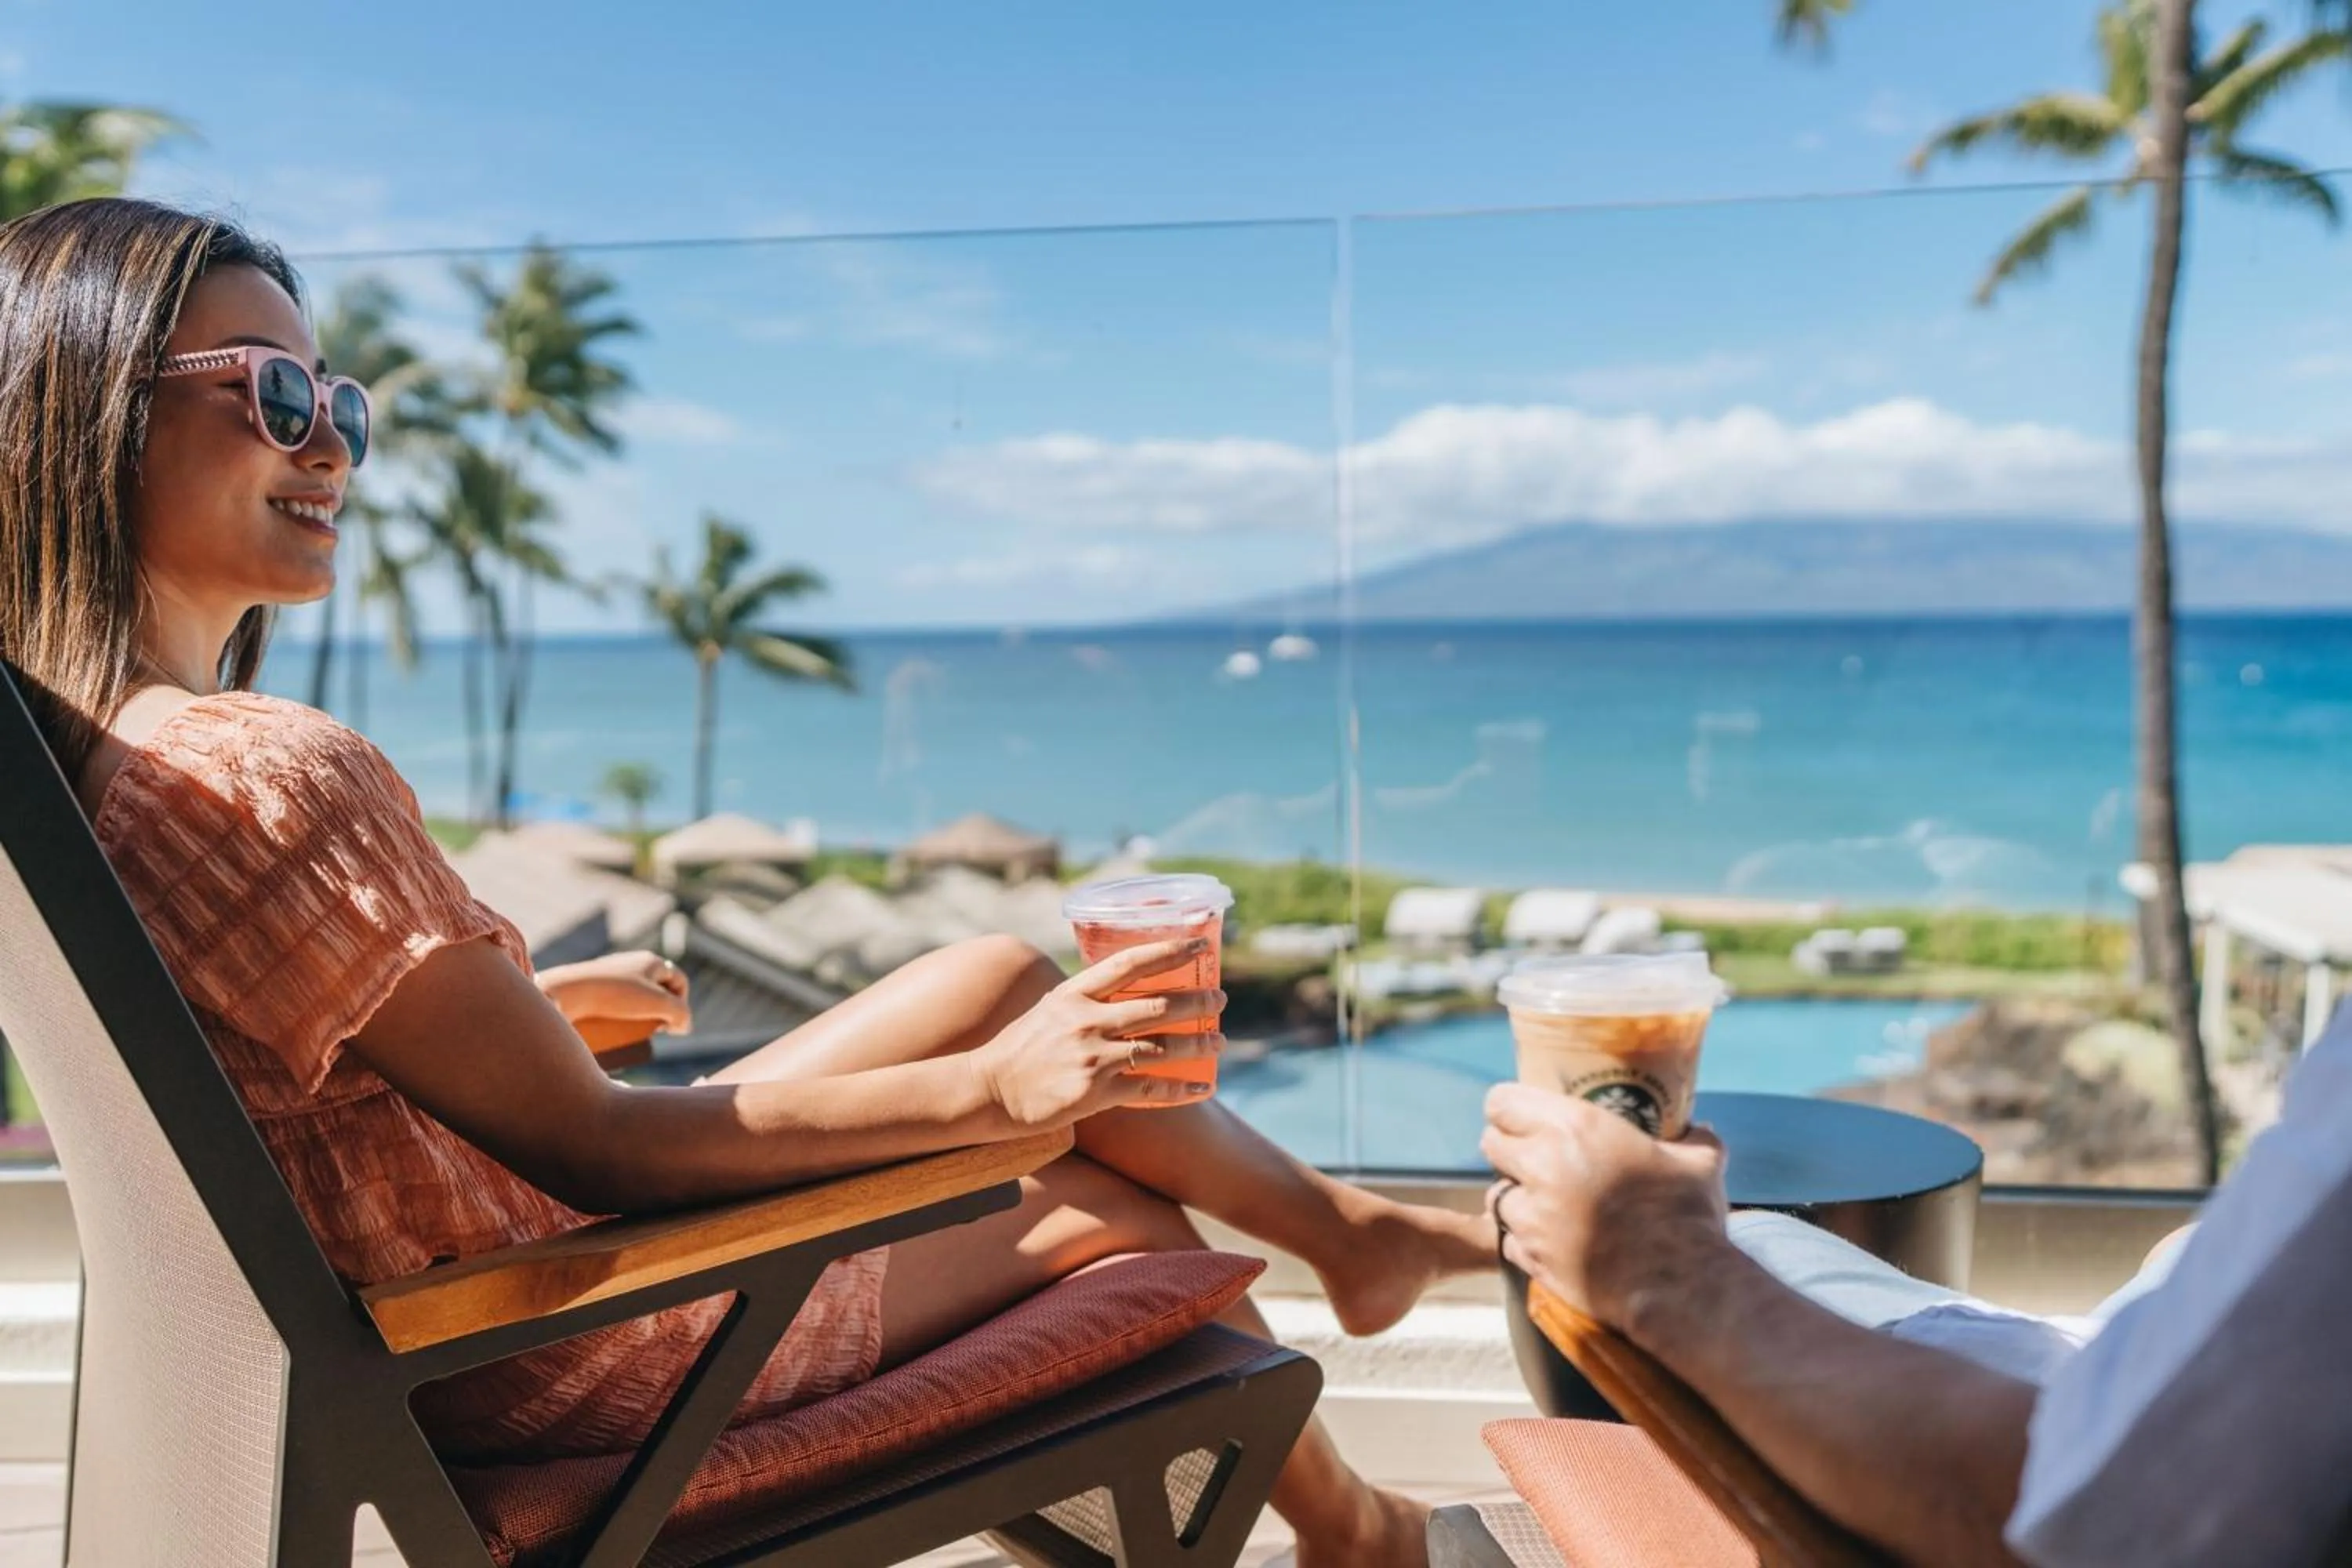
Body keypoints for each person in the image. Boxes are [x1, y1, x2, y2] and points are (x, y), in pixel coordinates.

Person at [0, 196, 1497, 1568]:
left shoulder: (98, 774)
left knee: (990, 977)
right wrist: (1012, 1099)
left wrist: (525, 1012)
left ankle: (1346, 1245)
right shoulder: (270, 774)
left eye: (338, 404)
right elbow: (606, 1158)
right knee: (1097, 1203)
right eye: (271, 394)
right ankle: (1363, 1534)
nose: (325, 445)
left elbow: (286, 1093)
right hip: (555, 1339)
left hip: (456, 1296)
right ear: (86, 420)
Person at [1486, 1007, 2352, 1565]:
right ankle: (1436, 1243)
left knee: (1744, 1236)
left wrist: (1670, 1271)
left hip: (2053, 1431)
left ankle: (1448, 1244)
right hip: (2133, 1375)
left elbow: (2094, 1512)